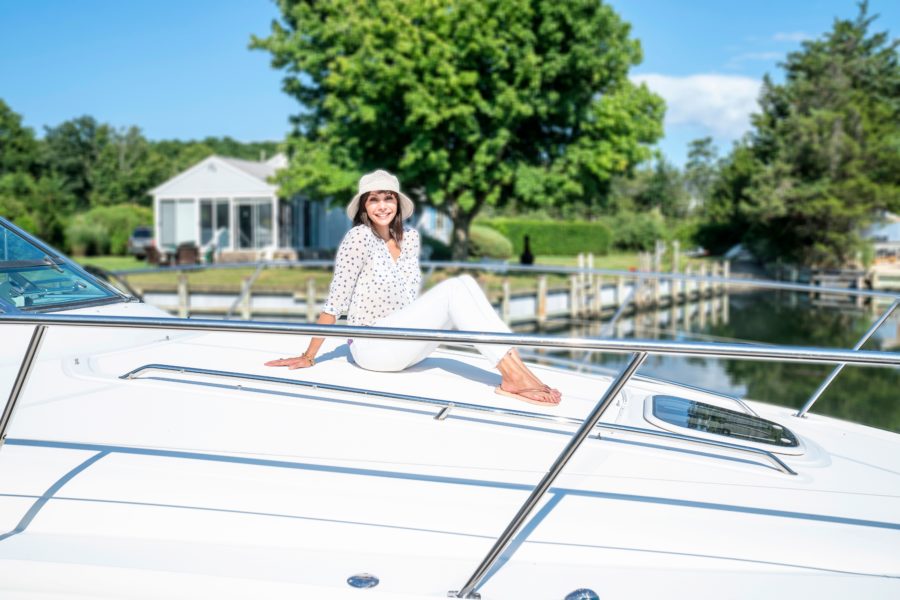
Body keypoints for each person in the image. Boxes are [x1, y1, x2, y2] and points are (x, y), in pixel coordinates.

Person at [265, 169, 561, 406]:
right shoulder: (359, 238)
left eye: (388, 198)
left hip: (406, 341)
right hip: (372, 347)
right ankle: (514, 377)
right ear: (364, 208)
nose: (382, 206)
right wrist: (309, 354)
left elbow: (409, 303)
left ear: (397, 203)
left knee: (466, 283)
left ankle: (520, 372)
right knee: (456, 288)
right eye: (373, 199)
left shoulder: (412, 239)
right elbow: (335, 303)